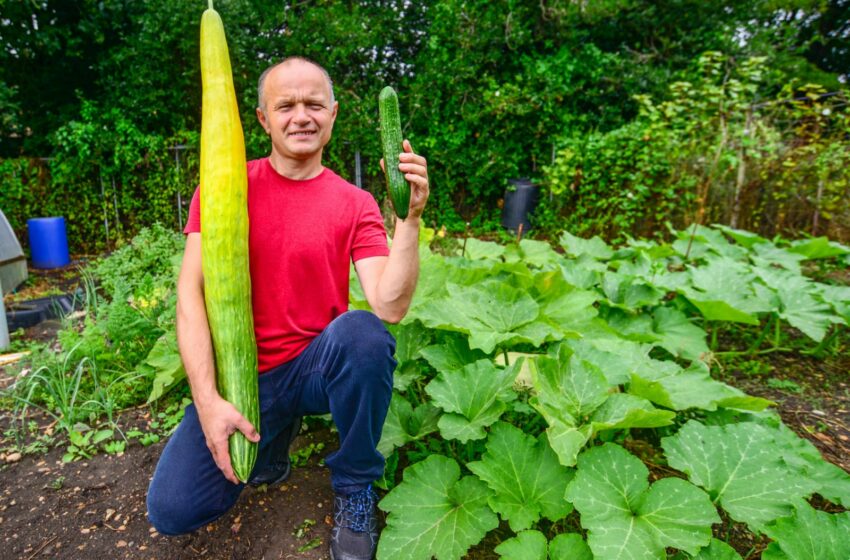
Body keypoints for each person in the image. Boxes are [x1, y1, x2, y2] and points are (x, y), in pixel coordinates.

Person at [146, 56, 429, 560]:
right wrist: (210, 404)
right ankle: (272, 443)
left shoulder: (355, 202)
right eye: (287, 105)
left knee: (364, 335)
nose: (302, 116)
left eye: (314, 104)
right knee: (173, 509)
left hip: (316, 369)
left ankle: (355, 484)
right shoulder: (221, 189)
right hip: (245, 378)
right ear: (262, 118)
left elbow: (389, 305)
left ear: (334, 114)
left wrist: (408, 219)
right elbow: (190, 297)